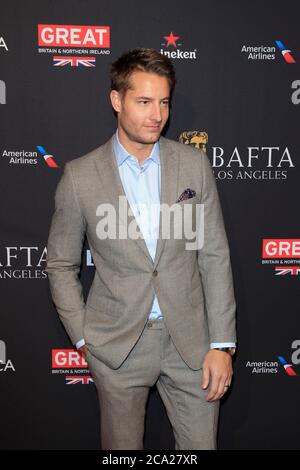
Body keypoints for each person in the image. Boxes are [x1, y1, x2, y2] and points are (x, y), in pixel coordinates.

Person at [46, 48, 237, 450]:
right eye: (144, 102)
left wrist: (221, 344)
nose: (157, 114)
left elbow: (214, 255)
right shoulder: (80, 177)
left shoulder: (193, 165)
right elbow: (61, 265)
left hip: (191, 345)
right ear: (117, 100)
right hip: (117, 347)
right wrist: (85, 340)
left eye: (164, 102)